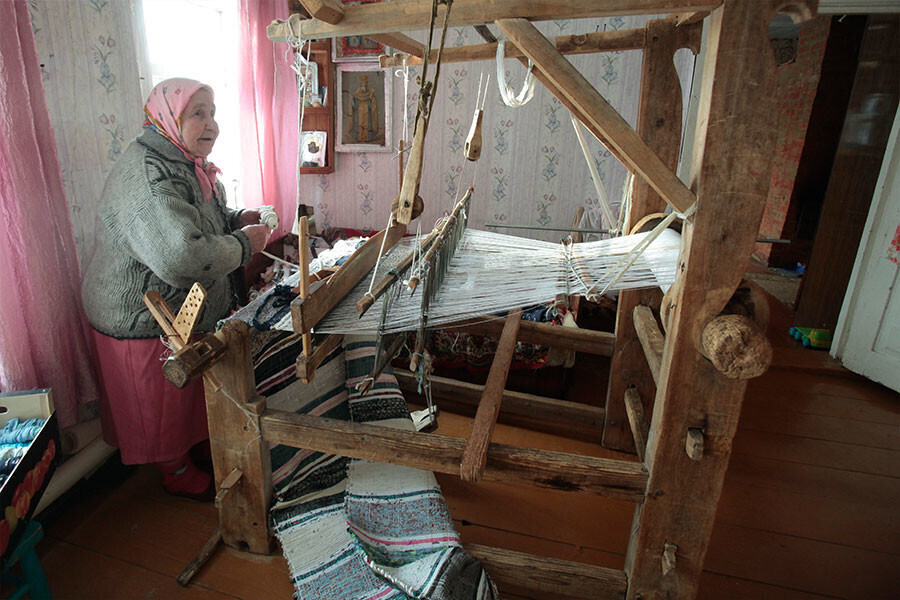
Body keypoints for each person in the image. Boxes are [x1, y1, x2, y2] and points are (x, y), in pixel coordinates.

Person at [81, 78, 270, 500]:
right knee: (160, 404)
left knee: (185, 398)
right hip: (140, 314)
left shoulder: (186, 162)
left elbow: (201, 216)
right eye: (198, 113)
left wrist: (238, 218)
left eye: (213, 111)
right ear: (168, 118)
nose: (212, 124)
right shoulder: (149, 174)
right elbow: (180, 256)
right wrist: (245, 245)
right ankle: (176, 471)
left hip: (178, 310)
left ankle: (195, 448)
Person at [347, 74, 379, 143]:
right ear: (360, 85)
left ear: (366, 85)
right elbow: (354, 105)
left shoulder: (370, 94)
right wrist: (353, 99)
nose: (363, 87)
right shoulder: (356, 94)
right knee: (359, 126)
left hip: (368, 115)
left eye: (365, 85)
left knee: (368, 126)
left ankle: (367, 138)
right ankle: (359, 138)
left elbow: (373, 106)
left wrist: (371, 99)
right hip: (359, 115)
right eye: (362, 85)